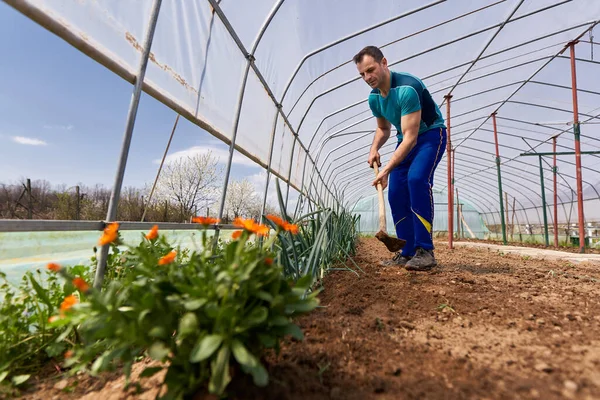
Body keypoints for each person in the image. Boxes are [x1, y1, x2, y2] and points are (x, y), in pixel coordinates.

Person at [353, 45, 447, 271]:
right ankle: (406, 252)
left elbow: (411, 139)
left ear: (384, 62)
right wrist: (374, 148)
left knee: (416, 180)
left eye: (371, 70)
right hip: (403, 139)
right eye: (362, 74)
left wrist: (386, 169)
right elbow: (383, 129)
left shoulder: (408, 88)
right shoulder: (374, 98)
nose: (367, 77)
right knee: (395, 193)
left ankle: (425, 251)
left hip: (430, 135)